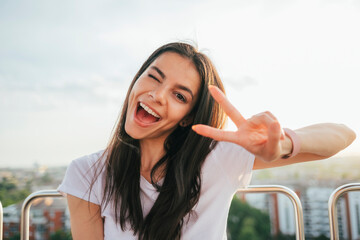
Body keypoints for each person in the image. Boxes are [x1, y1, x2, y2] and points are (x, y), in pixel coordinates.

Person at [57, 42, 356, 240]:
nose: (157, 95)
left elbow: (343, 135)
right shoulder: (87, 173)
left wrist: (283, 145)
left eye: (179, 95)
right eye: (153, 77)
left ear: (188, 117)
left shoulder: (217, 158)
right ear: (136, 80)